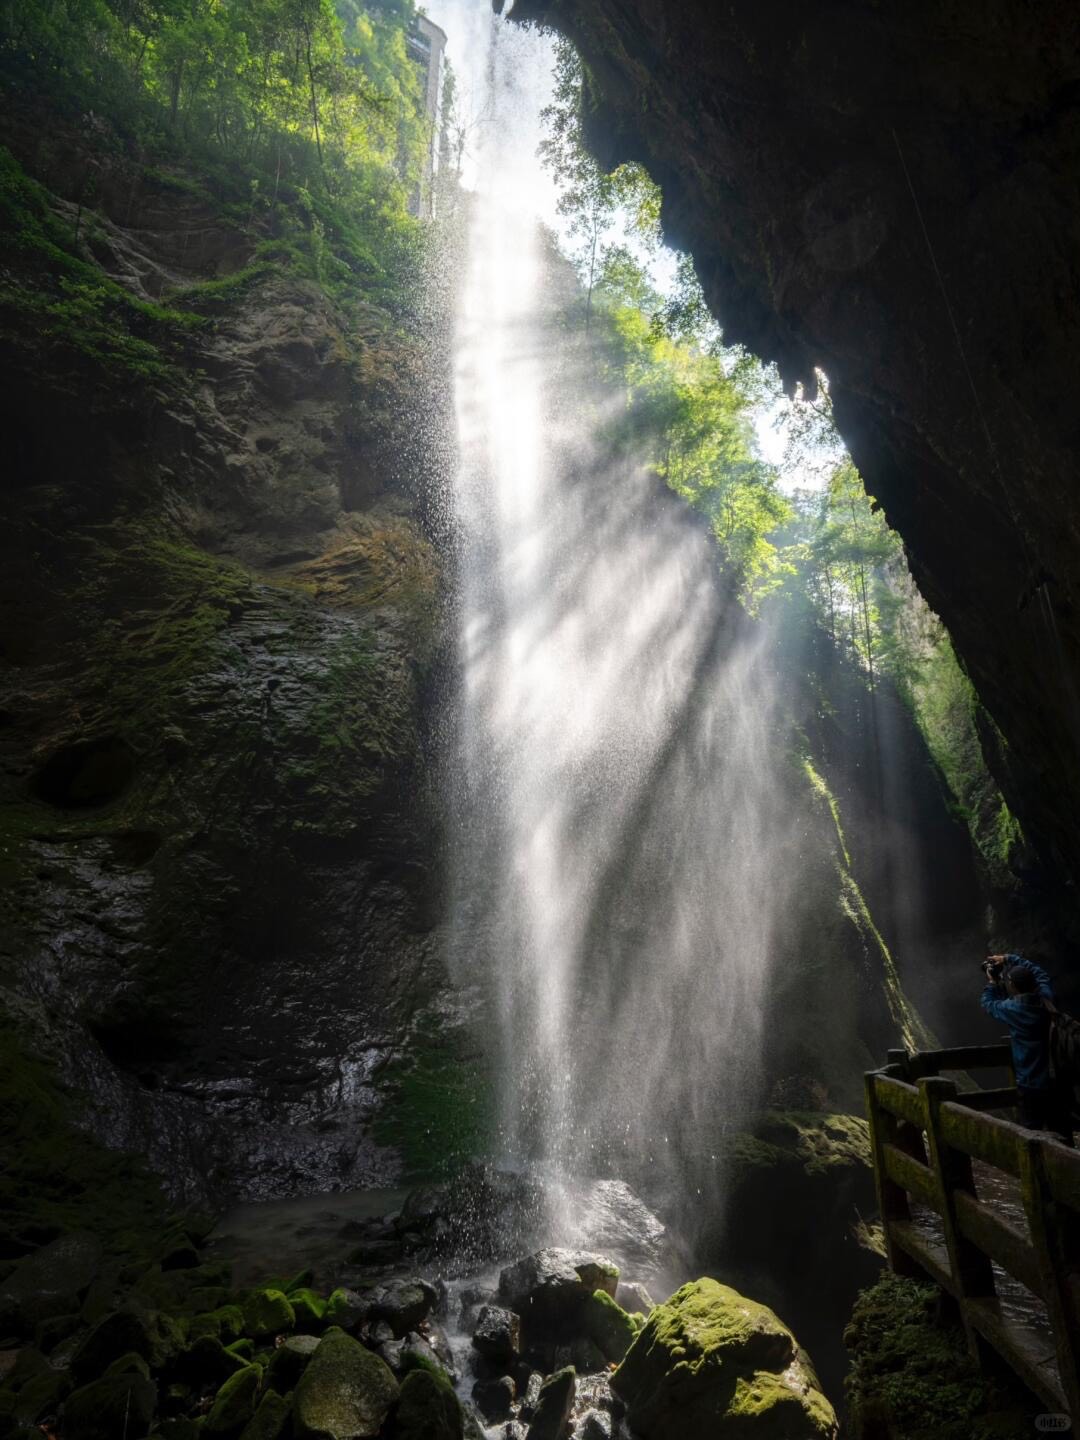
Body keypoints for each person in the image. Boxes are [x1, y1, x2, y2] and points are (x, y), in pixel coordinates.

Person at [980, 952, 1073, 1144]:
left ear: (1011, 986)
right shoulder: (1047, 1000)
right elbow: (1040, 974)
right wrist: (1008, 958)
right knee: (1062, 1130)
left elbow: (988, 1003)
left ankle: (1037, 1172)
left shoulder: (1010, 1010)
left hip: (1030, 1084)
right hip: (1056, 1079)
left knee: (1031, 1135)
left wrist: (993, 983)